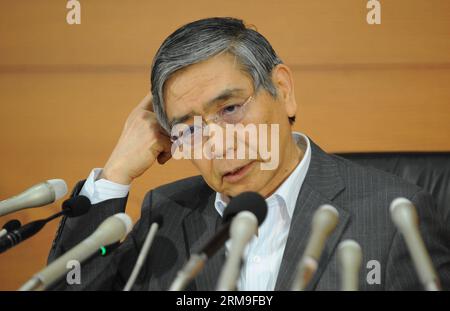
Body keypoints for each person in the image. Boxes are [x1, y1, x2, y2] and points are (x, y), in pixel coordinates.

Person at [49, 17, 450, 291]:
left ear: (284, 89)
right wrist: (115, 174)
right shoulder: (167, 215)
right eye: (189, 128)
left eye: (231, 109)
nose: (219, 144)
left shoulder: (395, 216)